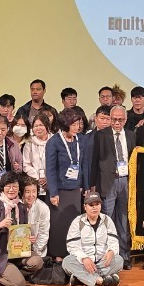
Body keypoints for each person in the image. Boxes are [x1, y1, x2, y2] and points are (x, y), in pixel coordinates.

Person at [95, 105, 137, 269]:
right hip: (108, 182)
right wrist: (93, 185)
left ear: (125, 120)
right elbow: (94, 161)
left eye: (120, 119)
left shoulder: (131, 135)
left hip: (126, 181)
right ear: (110, 119)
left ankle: (124, 256)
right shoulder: (101, 135)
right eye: (114, 119)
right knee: (107, 219)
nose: (117, 123)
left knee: (124, 220)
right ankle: (107, 256)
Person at [0, 173, 43, 286]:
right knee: (19, 283)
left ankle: (14, 273)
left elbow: (23, 231)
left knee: (37, 261)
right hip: (0, 256)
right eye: (8, 186)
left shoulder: (21, 207)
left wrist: (29, 239)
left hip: (17, 252)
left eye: (14, 186)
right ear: (2, 188)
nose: (11, 189)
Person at [46, 108, 87, 261]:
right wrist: (53, 192)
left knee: (73, 224)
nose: (77, 127)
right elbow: (50, 169)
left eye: (78, 124)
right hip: (60, 191)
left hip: (75, 190)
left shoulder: (80, 140)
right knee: (59, 225)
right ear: (65, 124)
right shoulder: (54, 142)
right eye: (74, 124)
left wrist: (86, 186)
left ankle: (72, 253)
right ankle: (58, 255)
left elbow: (84, 165)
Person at [62, 192, 123, 286]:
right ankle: (100, 280)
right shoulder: (77, 222)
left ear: (100, 205)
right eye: (91, 205)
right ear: (85, 207)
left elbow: (113, 241)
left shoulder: (107, 220)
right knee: (67, 262)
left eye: (97, 204)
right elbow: (72, 246)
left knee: (119, 260)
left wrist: (111, 251)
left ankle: (82, 278)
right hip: (83, 263)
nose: (95, 208)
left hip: (102, 262)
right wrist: (84, 258)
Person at [20, 115, 53, 201]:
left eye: (41, 125)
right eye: (35, 126)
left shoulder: (54, 141)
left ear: (47, 126)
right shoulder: (29, 143)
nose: (38, 128)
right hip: (34, 182)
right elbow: (26, 164)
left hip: (52, 182)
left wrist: (48, 178)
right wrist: (37, 177)